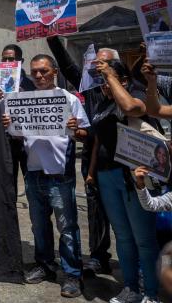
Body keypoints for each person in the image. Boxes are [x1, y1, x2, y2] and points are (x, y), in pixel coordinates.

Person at [86, 59, 160, 303]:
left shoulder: (135, 95)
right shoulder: (103, 103)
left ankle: (151, 292)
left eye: (108, 79)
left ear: (124, 80)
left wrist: (111, 76)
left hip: (132, 176)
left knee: (144, 239)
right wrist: (91, 171)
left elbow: (130, 108)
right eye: (102, 80)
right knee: (123, 236)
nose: (104, 85)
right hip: (107, 176)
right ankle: (131, 288)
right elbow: (98, 139)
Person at [19, 54, 88, 298]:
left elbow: (84, 133)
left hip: (60, 174)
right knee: (39, 226)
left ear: (54, 71)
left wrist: (74, 128)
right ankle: (45, 266)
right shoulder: (23, 100)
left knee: (67, 227)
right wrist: (9, 123)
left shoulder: (69, 99)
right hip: (33, 172)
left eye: (44, 71)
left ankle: (72, 275)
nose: (38, 76)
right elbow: (18, 134)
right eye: (34, 72)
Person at [47, 35, 115, 275]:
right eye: (95, 63)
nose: (98, 67)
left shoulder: (126, 91)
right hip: (92, 160)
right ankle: (98, 256)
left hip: (122, 163)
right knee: (95, 209)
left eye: (104, 63)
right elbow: (67, 65)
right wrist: (51, 34)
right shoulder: (89, 87)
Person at [0, 44, 35, 197]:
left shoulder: (32, 84)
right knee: (8, 182)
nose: (7, 62)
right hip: (5, 140)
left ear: (21, 61)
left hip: (28, 139)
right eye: (4, 59)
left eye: (11, 59)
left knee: (33, 182)